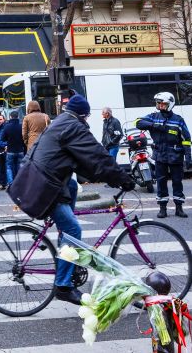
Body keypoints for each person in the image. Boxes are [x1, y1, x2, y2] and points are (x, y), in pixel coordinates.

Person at [26, 92, 135, 305]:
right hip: (47, 186)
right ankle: (63, 286)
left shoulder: (61, 122)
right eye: (87, 117)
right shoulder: (73, 127)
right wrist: (122, 178)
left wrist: (108, 177)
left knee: (73, 186)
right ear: (83, 115)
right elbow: (97, 155)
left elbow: (85, 161)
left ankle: (66, 250)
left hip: (43, 180)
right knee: (73, 230)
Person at [136, 91, 192, 219]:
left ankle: (179, 208)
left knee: (177, 182)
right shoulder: (153, 117)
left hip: (175, 155)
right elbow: (138, 122)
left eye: (163, 104)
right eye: (158, 103)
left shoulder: (178, 120)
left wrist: (188, 156)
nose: (160, 106)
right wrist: (153, 125)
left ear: (170, 104)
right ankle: (163, 209)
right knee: (161, 182)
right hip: (160, 155)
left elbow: (186, 138)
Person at [1, 111, 25, 186]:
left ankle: (11, 183)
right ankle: (20, 182)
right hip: (20, 149)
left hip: (10, 150)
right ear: (17, 116)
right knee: (20, 166)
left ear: (10, 117)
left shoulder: (7, 127)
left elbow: (3, 138)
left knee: (9, 167)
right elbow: (24, 137)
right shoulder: (21, 126)